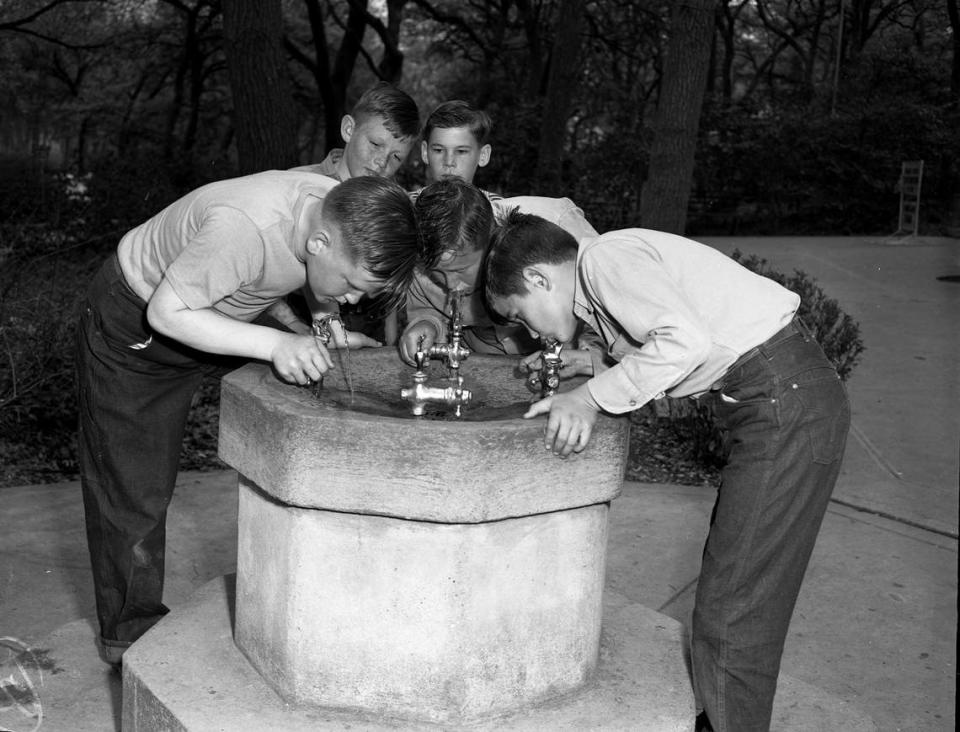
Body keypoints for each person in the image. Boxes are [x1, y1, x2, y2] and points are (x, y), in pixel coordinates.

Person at [482, 211, 851, 732]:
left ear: (540, 278)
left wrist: (589, 397)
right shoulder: (601, 278)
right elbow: (684, 346)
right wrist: (596, 369)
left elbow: (686, 343)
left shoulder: (604, 259)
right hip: (780, 399)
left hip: (781, 403)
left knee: (733, 607)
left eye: (521, 315)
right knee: (735, 597)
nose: (530, 331)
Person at [76, 172, 421, 667]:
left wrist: (326, 327)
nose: (352, 301)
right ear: (319, 242)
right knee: (135, 489)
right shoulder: (242, 229)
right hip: (139, 322)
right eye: (350, 287)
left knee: (318, 383)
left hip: (215, 306)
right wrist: (279, 343)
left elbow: (317, 277)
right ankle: (129, 639)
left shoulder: (336, 209)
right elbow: (168, 315)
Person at [399, 178, 602, 366]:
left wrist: (591, 356)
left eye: (461, 270)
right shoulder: (421, 255)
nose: (451, 285)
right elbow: (426, 308)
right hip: (481, 360)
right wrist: (428, 324)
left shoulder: (557, 227)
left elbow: (608, 306)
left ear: (493, 239)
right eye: (438, 274)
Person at [292, 81, 420, 181]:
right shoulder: (295, 184)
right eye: (375, 144)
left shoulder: (396, 209)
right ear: (348, 130)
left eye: (396, 157)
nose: (382, 162)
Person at [419, 100, 493, 187]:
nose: (449, 162)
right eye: (438, 150)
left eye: (461, 151)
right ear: (425, 152)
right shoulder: (406, 201)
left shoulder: (498, 201)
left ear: (483, 155)